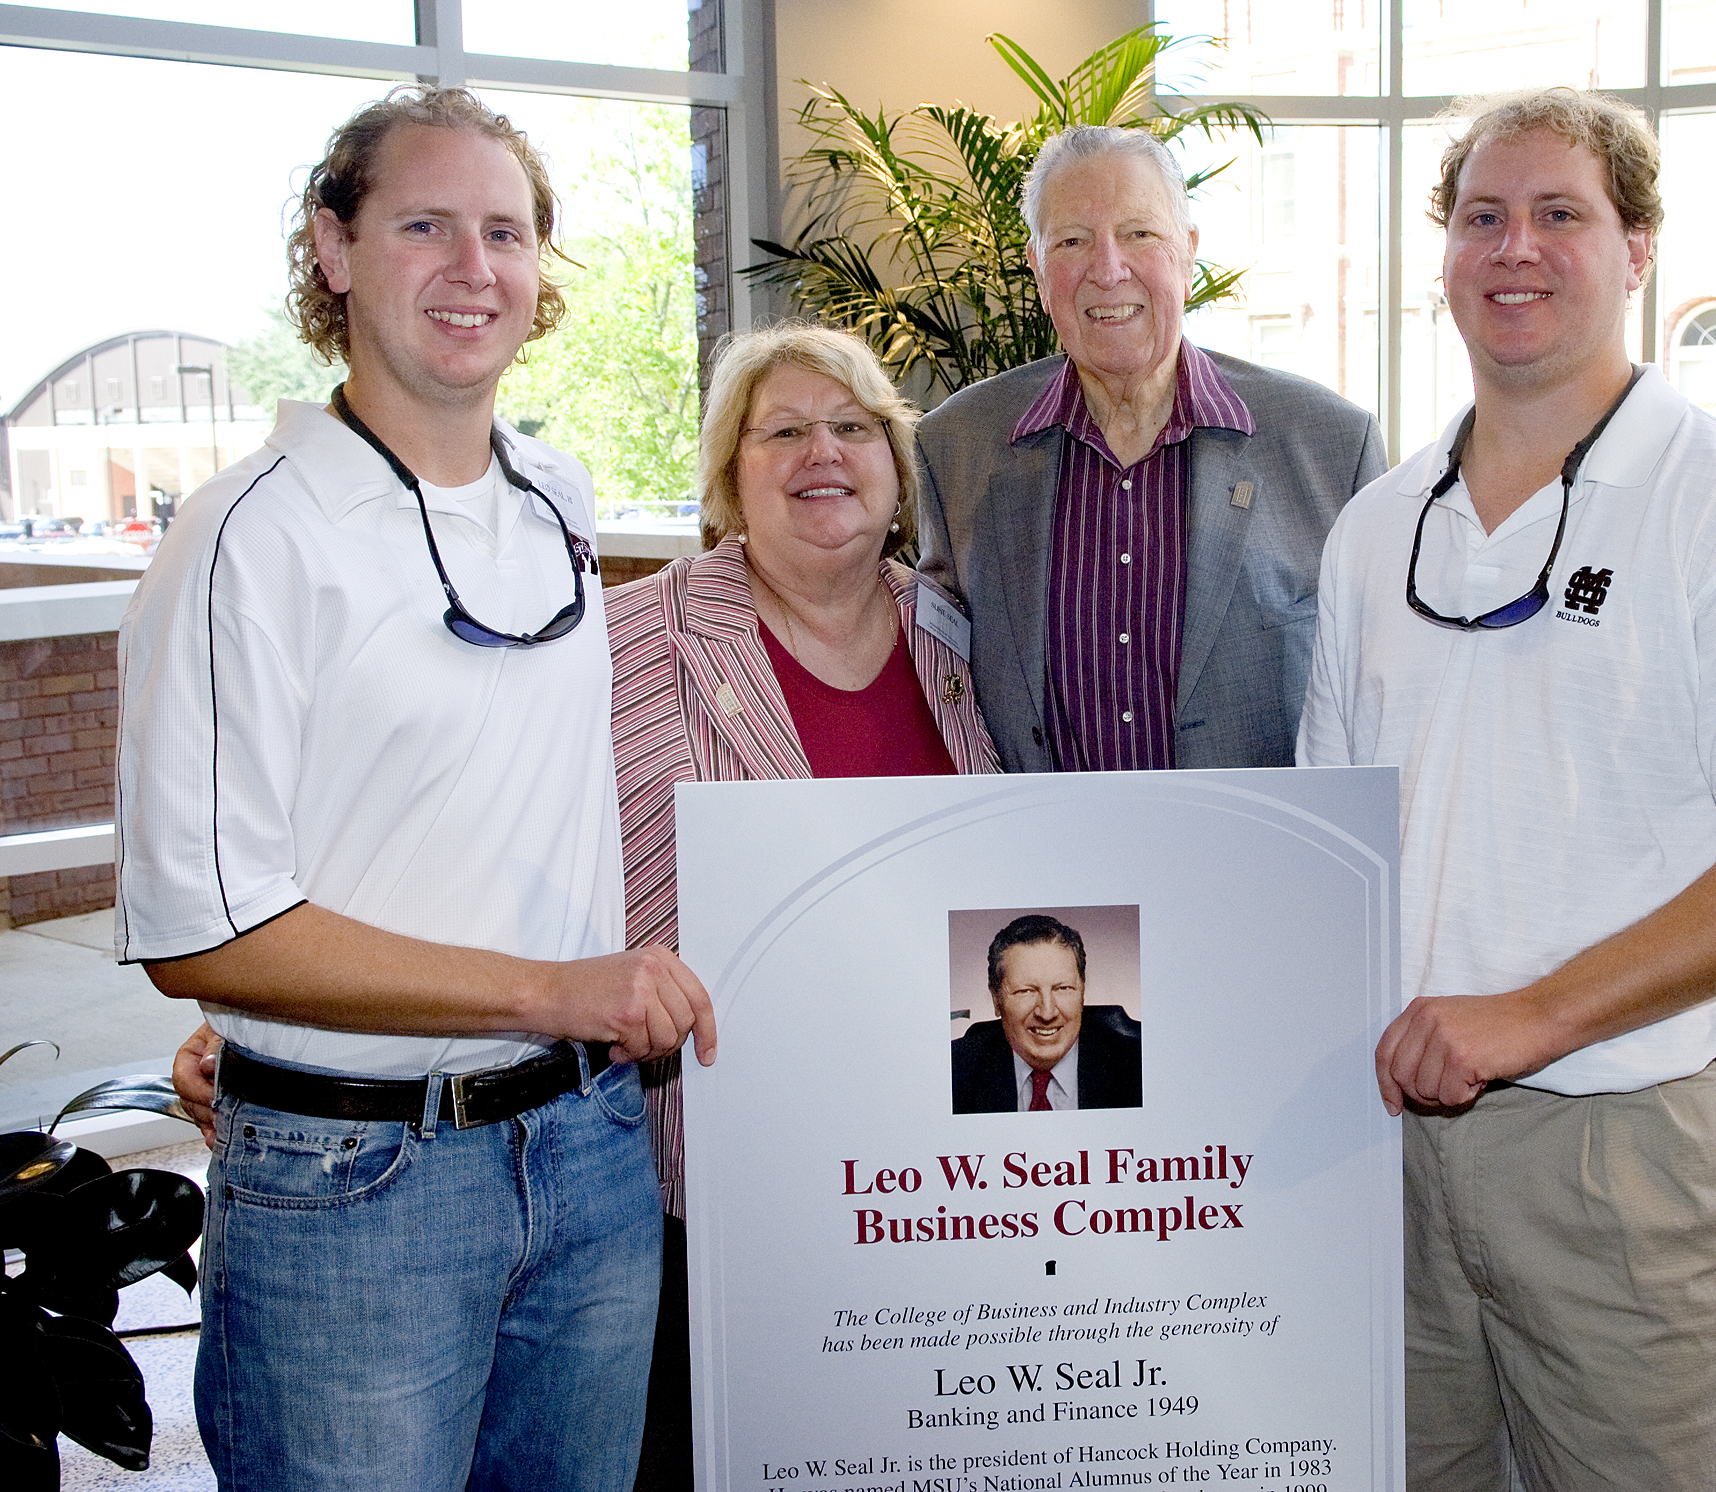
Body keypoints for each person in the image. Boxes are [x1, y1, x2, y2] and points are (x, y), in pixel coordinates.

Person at [1295, 87, 1716, 1490]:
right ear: (1442, 254)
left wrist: (1529, 1017)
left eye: (1560, 214)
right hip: (1399, 1139)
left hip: (1638, 1155)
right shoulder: (1378, 528)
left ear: (1637, 247)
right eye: (1482, 216)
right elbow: (1338, 839)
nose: (1516, 247)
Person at [119, 86, 714, 1492]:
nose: (475, 269)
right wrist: (552, 989)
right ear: (333, 248)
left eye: (506, 232)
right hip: (352, 1189)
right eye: (425, 224)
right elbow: (205, 930)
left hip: (588, 1158)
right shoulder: (241, 541)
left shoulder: (555, 497)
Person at [605, 320, 999, 1486]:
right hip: (724, 1172)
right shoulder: (632, 638)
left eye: (850, 427)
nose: (819, 454)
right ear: (731, 476)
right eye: (781, 431)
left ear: (894, 463)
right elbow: (492, 836)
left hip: (928, 1171)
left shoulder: (959, 632)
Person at [916, 124, 1386, 774]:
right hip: (1040, 864)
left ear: (1188, 252)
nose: (1109, 269)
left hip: (1258, 863)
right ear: (1038, 267)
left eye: (1140, 234)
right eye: (1073, 241)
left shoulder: (1330, 447)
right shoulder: (956, 448)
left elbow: (1383, 694)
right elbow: (926, 672)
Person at [951, 913, 1141, 1114]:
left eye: (1063, 988)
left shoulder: (1139, 1068)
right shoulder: (953, 1071)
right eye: (1026, 991)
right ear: (996, 999)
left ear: (1082, 991)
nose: (1047, 1013)